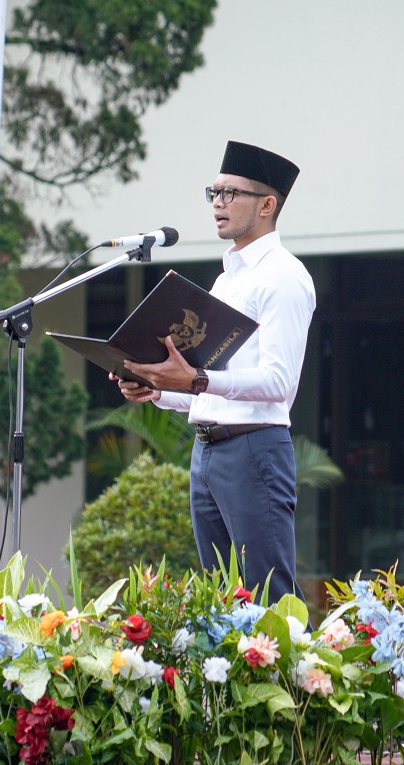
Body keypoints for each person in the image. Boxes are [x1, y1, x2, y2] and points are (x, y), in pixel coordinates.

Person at [113, 141, 316, 603]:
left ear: (267, 205)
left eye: (231, 194)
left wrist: (196, 381)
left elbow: (278, 383)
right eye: (214, 193)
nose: (218, 204)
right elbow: (207, 385)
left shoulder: (284, 276)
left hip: (255, 449)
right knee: (222, 600)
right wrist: (156, 387)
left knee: (268, 597)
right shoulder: (227, 279)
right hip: (206, 451)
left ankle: (294, 677)